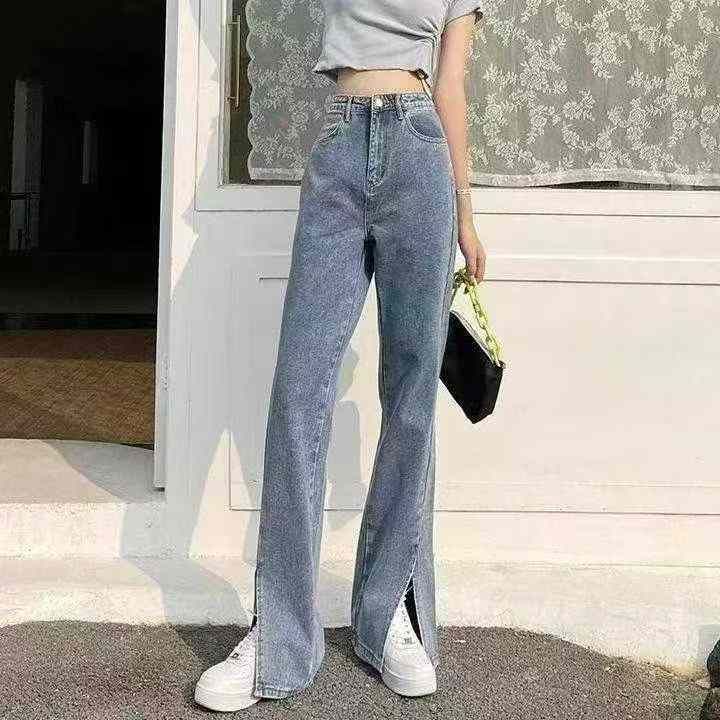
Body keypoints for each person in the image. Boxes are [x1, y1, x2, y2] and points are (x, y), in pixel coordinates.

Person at [194, 0, 486, 711]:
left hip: (420, 150)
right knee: (298, 394)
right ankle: (279, 638)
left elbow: (451, 83)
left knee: (411, 398)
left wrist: (467, 212)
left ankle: (390, 616)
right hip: (341, 144)